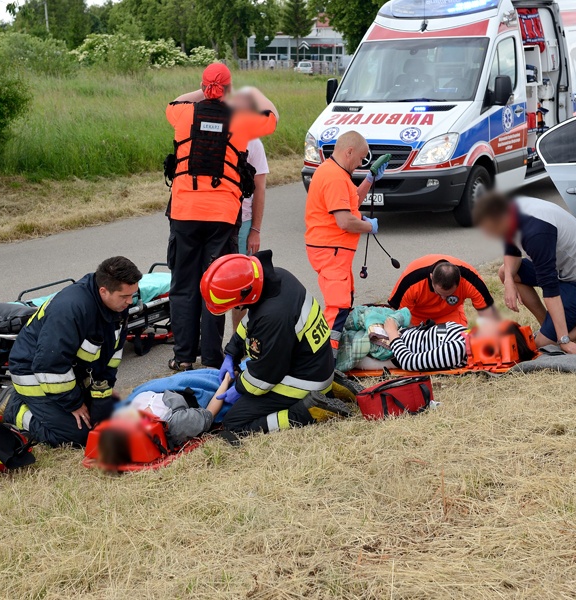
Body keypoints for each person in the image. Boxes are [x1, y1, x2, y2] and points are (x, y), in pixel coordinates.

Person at [165, 63, 279, 371]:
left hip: (184, 213)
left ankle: (184, 357)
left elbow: (176, 100)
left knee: (183, 285)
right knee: (214, 284)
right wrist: (248, 93)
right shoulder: (242, 121)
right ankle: (213, 358)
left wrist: (204, 91)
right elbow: (272, 117)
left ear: (202, 88)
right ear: (229, 90)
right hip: (223, 217)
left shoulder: (183, 114)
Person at [201, 251, 351, 435]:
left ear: (246, 293)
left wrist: (239, 389)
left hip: (305, 379)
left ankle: (308, 411)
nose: (236, 308)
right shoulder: (277, 279)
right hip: (315, 365)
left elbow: (264, 377)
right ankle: (328, 388)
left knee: (234, 423)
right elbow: (250, 321)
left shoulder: (274, 316)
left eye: (234, 305)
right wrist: (232, 352)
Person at [3, 256, 142, 446]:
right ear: (103, 291)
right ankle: (16, 410)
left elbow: (113, 352)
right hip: (35, 374)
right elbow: (49, 366)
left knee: (104, 423)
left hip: (68, 373)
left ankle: (48, 407)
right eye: (124, 296)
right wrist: (74, 404)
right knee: (79, 436)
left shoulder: (117, 305)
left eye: (133, 295)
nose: (130, 302)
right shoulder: (71, 309)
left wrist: (102, 391)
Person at [473, 192, 576, 354]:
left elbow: (550, 289)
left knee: (545, 343)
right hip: (562, 271)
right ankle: (549, 325)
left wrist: (564, 340)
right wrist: (509, 280)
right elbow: (511, 250)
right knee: (505, 271)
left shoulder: (536, 234)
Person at [304, 131, 386, 355]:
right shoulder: (334, 177)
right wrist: (369, 226)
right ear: (349, 151)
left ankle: (328, 357)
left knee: (344, 301)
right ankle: (325, 362)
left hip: (335, 251)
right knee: (338, 306)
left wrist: (369, 179)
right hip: (331, 250)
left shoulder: (335, 173)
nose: (360, 164)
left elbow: (351, 205)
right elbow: (345, 220)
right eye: (360, 159)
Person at [99, 374, 232, 461]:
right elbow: (210, 412)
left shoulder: (124, 415)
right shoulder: (177, 425)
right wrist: (226, 381)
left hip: (164, 385)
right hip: (189, 391)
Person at [228, 90, 270, 332]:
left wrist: (254, 229)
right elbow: (260, 189)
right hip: (226, 221)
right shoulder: (226, 135)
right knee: (234, 284)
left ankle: (235, 342)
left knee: (239, 286)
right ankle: (227, 345)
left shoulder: (252, 142)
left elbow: (259, 189)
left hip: (239, 223)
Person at [388, 255, 498, 327]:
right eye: (439, 293)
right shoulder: (411, 279)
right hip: (416, 318)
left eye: (449, 295)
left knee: (459, 346)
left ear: (460, 280)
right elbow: (398, 315)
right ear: (431, 278)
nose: (443, 299)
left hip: (450, 314)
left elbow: (487, 313)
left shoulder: (471, 278)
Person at [383, 318, 468, 372]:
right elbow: (441, 329)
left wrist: (392, 332)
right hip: (401, 332)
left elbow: (408, 361)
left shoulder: (458, 348)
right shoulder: (465, 332)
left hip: (388, 349)